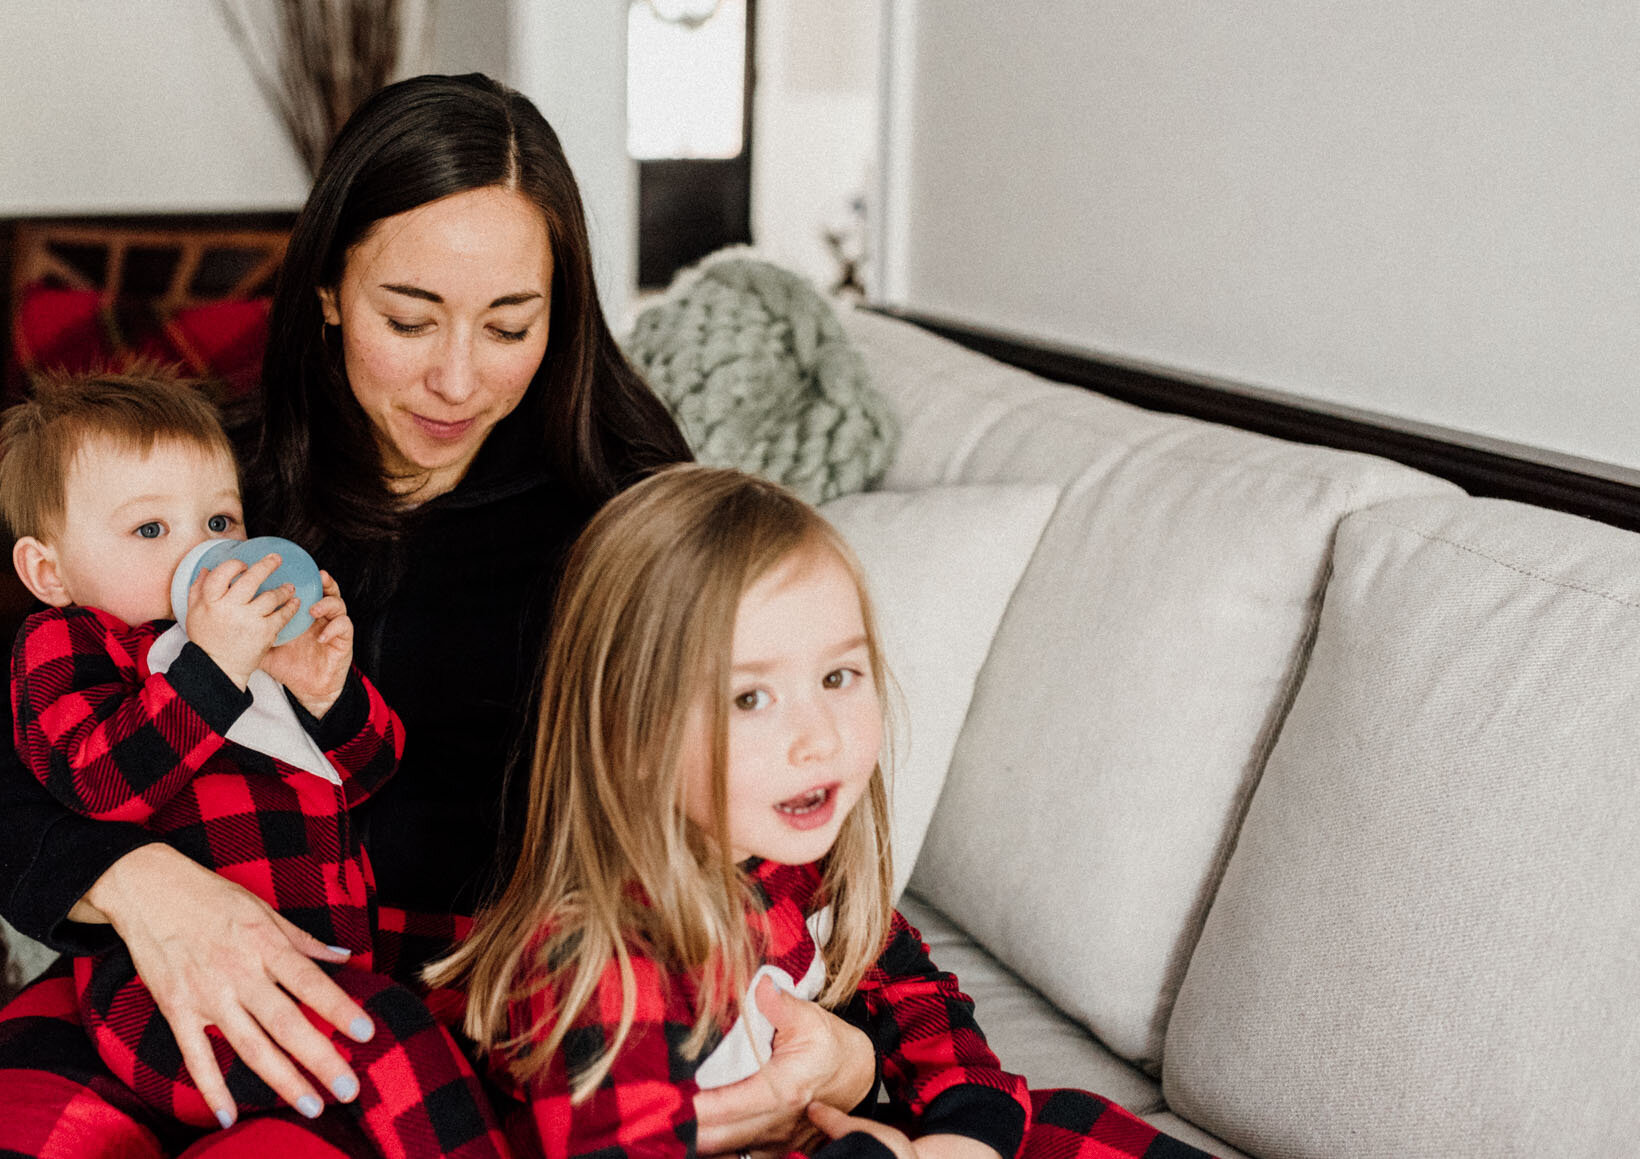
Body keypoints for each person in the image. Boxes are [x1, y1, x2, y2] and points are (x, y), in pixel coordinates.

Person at [0, 74, 875, 1159]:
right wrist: (140, 890)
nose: (455, 379)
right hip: (192, 958)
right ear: (325, 289)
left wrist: (857, 1047)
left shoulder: (628, 511)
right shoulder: (212, 491)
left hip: (469, 1005)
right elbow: (7, 734)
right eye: (407, 320)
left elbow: (769, 781)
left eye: (510, 326)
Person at [435, 465, 1213, 1159]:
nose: (818, 737)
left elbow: (923, 1007)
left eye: (839, 676)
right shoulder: (595, 955)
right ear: (632, 734)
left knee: (1069, 1122)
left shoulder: (797, 874)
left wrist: (963, 1134)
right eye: (751, 697)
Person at [0, 368, 505, 1156]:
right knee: (387, 1033)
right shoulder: (73, 643)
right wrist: (212, 667)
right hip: (176, 1004)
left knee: (509, 947)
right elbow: (97, 782)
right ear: (48, 571)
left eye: (219, 520)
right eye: (150, 530)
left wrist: (327, 694)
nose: (203, 553)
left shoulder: (246, 641)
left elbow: (368, 773)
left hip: (333, 935)